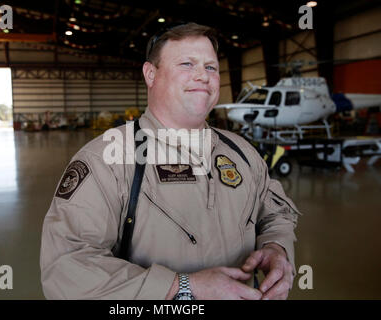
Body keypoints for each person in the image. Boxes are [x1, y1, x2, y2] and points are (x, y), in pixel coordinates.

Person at [40, 22, 300, 300]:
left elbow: (275, 213)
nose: (202, 76)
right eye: (187, 64)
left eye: (211, 67)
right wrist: (182, 287)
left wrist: (277, 248)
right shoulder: (106, 159)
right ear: (150, 74)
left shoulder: (242, 152)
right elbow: (66, 269)